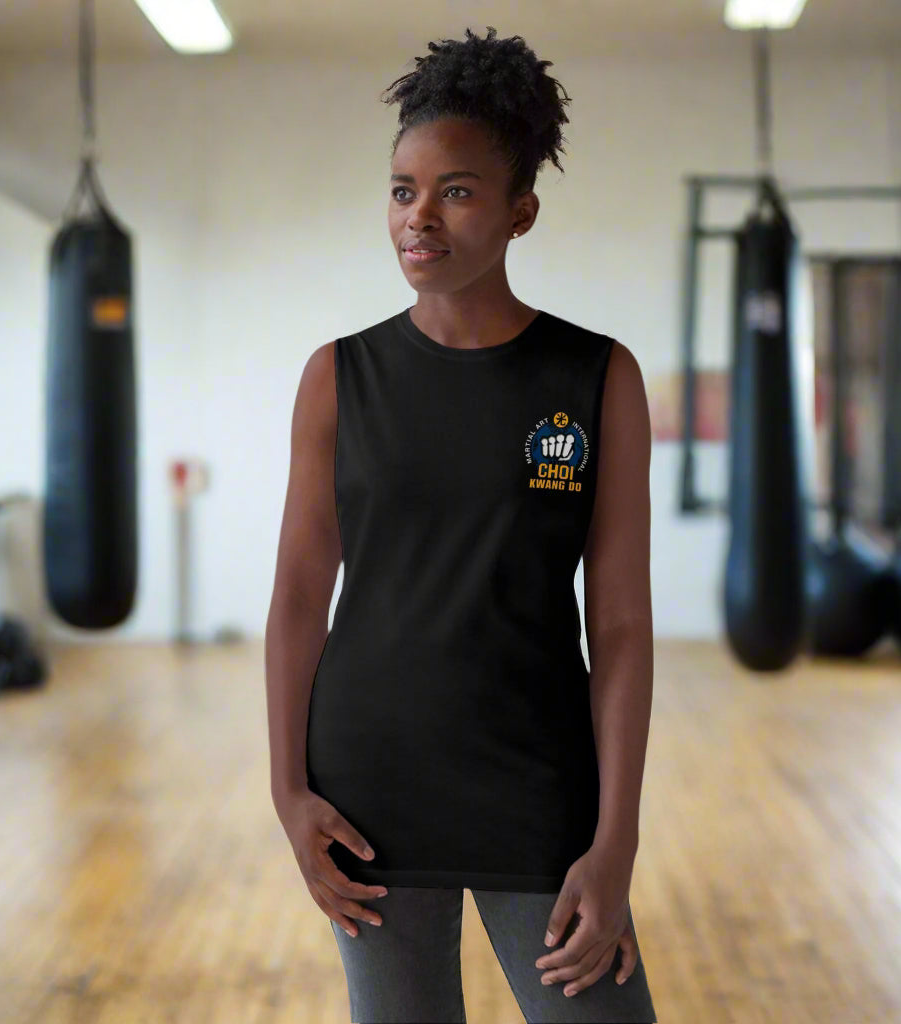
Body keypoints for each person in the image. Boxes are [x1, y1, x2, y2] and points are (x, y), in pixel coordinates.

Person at [265, 25, 657, 1024]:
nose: (419, 217)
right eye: (402, 189)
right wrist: (287, 794)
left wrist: (616, 840)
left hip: (539, 789)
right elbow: (301, 598)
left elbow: (617, 627)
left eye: (457, 190)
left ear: (521, 210)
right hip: (368, 795)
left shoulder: (596, 376)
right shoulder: (337, 377)